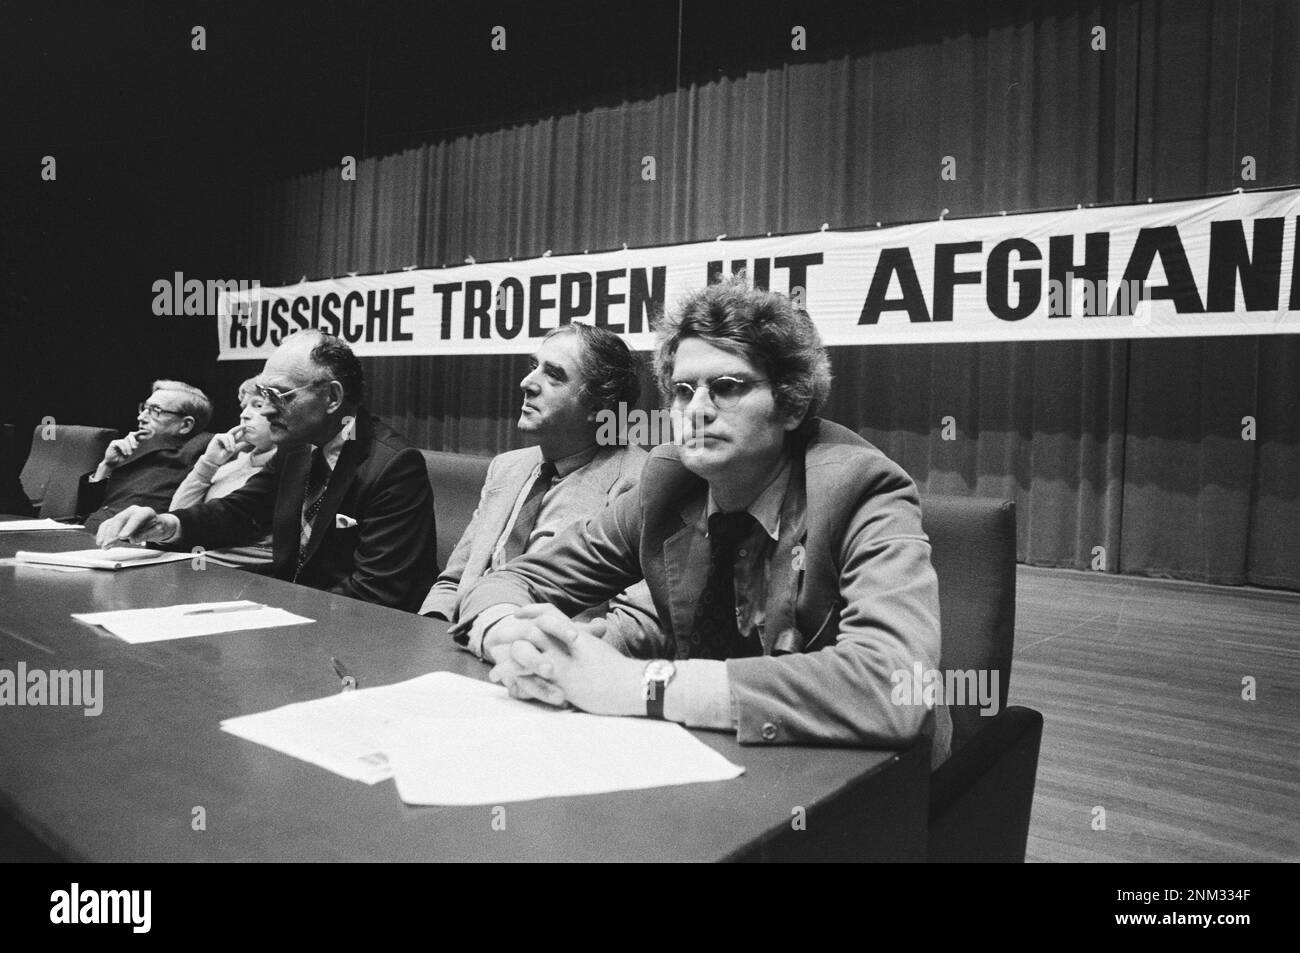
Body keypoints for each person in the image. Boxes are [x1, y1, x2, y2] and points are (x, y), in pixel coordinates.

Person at [457, 275, 951, 760]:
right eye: (682, 390)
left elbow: (897, 685)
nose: (696, 410)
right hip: (710, 755)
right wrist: (514, 637)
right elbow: (513, 579)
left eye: (727, 387)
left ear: (792, 404)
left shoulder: (861, 486)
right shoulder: (668, 482)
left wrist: (635, 684)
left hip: (863, 775)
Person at [95, 331, 437, 612]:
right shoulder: (297, 449)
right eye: (261, 394)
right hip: (294, 620)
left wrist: (276, 613)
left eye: (277, 394)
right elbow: (238, 512)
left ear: (332, 397)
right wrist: (167, 524)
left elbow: (377, 593)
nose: (266, 409)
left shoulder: (394, 466)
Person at [422, 323, 658, 649]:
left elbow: (634, 624)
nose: (526, 383)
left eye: (554, 375)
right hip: (466, 644)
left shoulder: (641, 483)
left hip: (550, 662)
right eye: (534, 367)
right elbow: (453, 582)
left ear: (598, 406)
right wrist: (425, 639)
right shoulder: (507, 467)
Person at [169, 377, 277, 568]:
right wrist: (208, 464)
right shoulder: (232, 463)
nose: (244, 415)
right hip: (196, 564)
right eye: (243, 407)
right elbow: (178, 513)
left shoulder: (287, 471)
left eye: (258, 405)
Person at [78, 380, 212, 533]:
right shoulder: (130, 447)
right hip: (87, 533)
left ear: (185, 425)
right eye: (144, 408)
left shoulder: (200, 448)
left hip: (131, 542)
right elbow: (85, 511)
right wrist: (106, 465)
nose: (141, 417)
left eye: (155, 410)